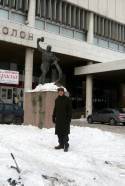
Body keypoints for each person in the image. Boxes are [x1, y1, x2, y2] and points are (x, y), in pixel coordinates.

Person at [52, 87, 72, 152]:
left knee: (65, 133)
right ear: (58, 92)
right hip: (58, 119)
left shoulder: (67, 99)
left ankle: (66, 145)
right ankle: (61, 144)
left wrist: (69, 119)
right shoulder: (56, 100)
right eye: (59, 91)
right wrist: (53, 116)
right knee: (59, 132)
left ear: (63, 92)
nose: (60, 92)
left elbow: (70, 110)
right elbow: (55, 109)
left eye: (61, 91)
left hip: (65, 119)